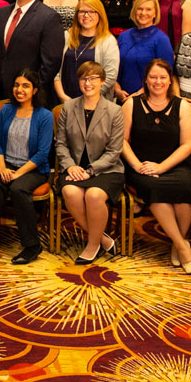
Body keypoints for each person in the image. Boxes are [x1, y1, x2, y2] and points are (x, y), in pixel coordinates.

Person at [122, 59, 191, 273]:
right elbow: (122, 141)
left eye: (163, 77)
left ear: (170, 80)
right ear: (146, 79)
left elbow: (187, 144)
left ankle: (177, 242)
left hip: (175, 164)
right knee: (155, 188)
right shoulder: (131, 104)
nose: (158, 81)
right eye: (153, 77)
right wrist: (137, 166)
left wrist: (162, 167)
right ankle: (183, 246)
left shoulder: (183, 106)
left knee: (185, 189)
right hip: (141, 166)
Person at [57, 62, 125, 265]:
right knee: (70, 192)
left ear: (103, 81)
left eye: (93, 78)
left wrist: (90, 170)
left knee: (94, 195)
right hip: (74, 168)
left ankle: (92, 244)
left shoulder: (114, 111)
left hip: (106, 169)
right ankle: (103, 238)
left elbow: (114, 151)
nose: (88, 83)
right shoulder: (68, 107)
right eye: (84, 78)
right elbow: (60, 143)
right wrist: (70, 166)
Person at [0, 68, 53, 264]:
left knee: (18, 188)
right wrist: (3, 168)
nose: (19, 89)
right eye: (16, 85)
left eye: (25, 86)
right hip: (5, 164)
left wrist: (17, 174)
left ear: (35, 90)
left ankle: (32, 245)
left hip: (32, 169)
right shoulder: (6, 110)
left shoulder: (44, 116)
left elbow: (42, 154)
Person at [54, 0, 119, 103]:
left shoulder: (108, 41)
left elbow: (110, 76)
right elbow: (55, 69)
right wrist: (62, 96)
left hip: (95, 103)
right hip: (64, 100)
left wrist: (87, 99)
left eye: (92, 12)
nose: (86, 15)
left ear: (100, 15)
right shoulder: (66, 36)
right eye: (82, 11)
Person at [115, 0, 174, 102]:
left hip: (149, 99)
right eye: (140, 9)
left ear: (155, 13)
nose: (143, 13)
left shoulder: (161, 39)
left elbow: (165, 75)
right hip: (122, 98)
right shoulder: (123, 36)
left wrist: (138, 95)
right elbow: (115, 68)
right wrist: (117, 90)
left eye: (148, 9)